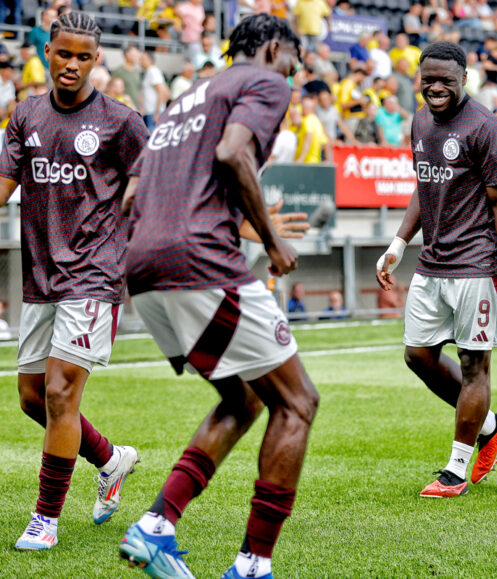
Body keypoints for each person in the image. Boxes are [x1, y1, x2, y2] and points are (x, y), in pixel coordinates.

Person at [120, 15, 319, 579]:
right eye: (294, 63)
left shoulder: (186, 96)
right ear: (275, 49)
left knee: (245, 398)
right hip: (199, 259)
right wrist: (274, 239)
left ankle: (156, 526)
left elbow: (132, 191)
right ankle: (253, 567)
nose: (293, 76)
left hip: (146, 265)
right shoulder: (265, 81)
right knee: (297, 402)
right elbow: (234, 154)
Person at [0, 13, 150, 551]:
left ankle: (45, 520)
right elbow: (3, 185)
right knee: (30, 397)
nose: (72, 64)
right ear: (47, 51)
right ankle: (111, 459)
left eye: (83, 57)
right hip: (40, 276)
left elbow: (149, 190)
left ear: (96, 59)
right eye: (64, 54)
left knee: (61, 394)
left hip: (94, 274)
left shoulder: (121, 121)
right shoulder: (26, 115)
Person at [376, 41, 497, 498]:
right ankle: (492, 425)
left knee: (473, 364)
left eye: (446, 80)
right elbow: (423, 187)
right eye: (428, 80)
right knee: (416, 355)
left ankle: (455, 470)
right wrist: (399, 243)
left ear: (465, 79)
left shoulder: (486, 128)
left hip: (477, 265)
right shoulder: (420, 121)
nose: (436, 88)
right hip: (432, 262)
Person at [140, 50, 169, 130]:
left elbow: (162, 91)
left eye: (142, 59)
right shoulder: (149, 72)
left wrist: (158, 112)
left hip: (154, 113)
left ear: (150, 60)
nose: (140, 61)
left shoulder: (153, 71)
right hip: (150, 112)